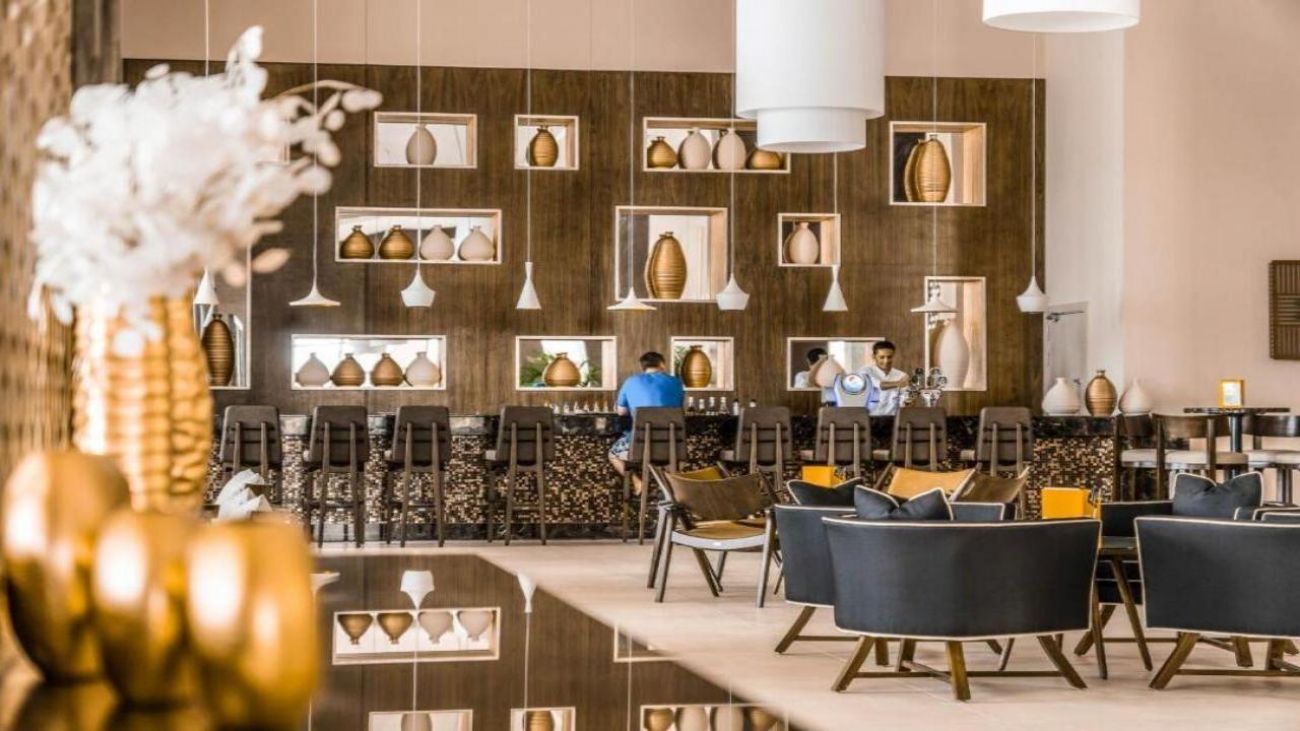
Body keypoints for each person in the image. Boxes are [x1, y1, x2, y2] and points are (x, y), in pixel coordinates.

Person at [609, 352, 686, 486]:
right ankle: (669, 488)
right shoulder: (676, 382)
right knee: (676, 460)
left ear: (642, 366)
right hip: (672, 447)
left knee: (613, 454)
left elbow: (621, 412)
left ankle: (638, 483)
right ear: (662, 364)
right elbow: (679, 409)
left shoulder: (631, 381)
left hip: (639, 447)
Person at [861, 340, 910, 416]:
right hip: (869, 418)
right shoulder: (865, 371)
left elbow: (905, 400)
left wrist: (908, 400)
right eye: (882, 357)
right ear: (874, 357)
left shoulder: (901, 375)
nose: (886, 361)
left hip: (894, 418)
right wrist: (899, 383)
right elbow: (880, 385)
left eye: (889, 357)